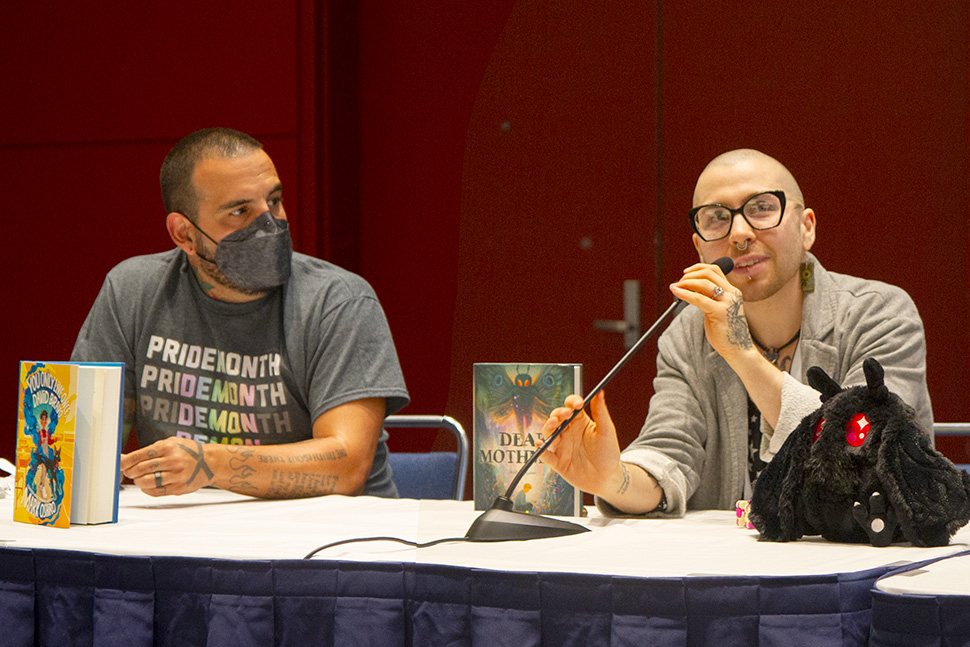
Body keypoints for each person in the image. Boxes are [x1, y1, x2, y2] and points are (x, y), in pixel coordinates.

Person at [540, 148, 932, 517]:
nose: (740, 233)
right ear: (699, 247)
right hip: (729, 570)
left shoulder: (880, 313)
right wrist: (614, 480)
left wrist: (741, 354)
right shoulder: (687, 335)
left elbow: (863, 450)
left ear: (806, 227)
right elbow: (669, 454)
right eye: (717, 218)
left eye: (762, 208)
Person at [71, 127, 409, 499]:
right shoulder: (132, 291)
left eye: (275, 201)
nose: (270, 225)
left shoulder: (338, 302)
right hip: (183, 537)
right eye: (240, 211)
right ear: (184, 234)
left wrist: (210, 464)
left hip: (333, 543)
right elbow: (85, 450)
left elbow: (347, 466)